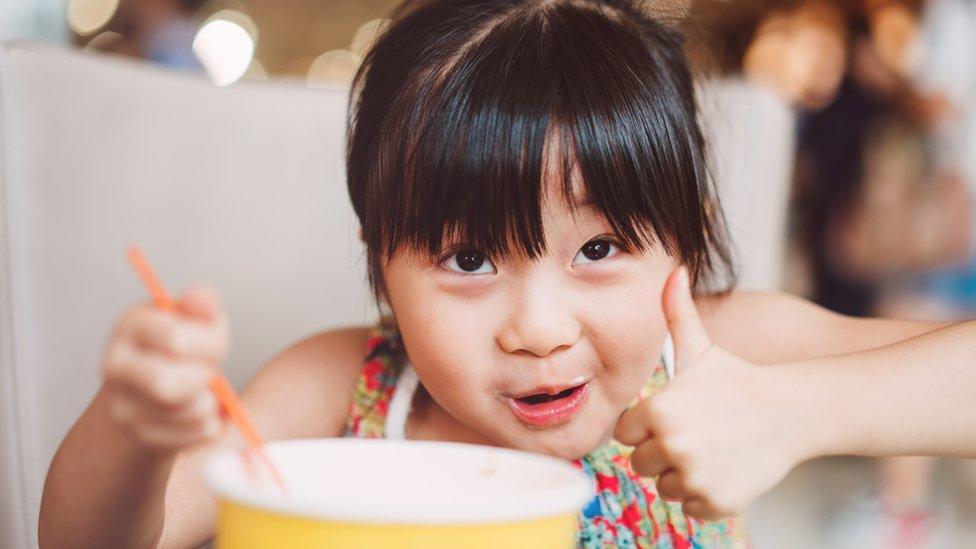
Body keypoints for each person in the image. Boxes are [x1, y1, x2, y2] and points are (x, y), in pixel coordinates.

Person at [38, 1, 976, 547]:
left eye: (599, 249)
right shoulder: (345, 389)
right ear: (380, 261)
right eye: (469, 257)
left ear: (683, 245)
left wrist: (801, 409)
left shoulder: (723, 357)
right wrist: (135, 429)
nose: (539, 327)